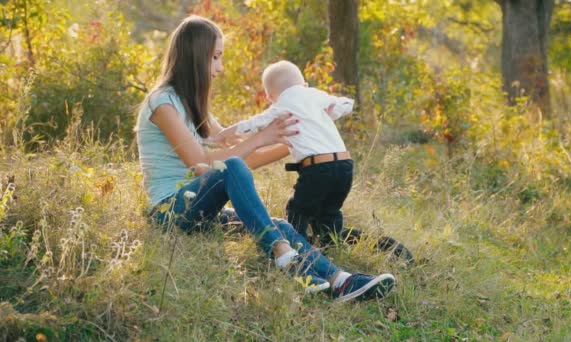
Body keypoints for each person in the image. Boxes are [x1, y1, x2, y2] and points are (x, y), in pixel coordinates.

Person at [134, 15, 395, 303]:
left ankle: (341, 281)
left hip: (201, 209)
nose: (220, 68)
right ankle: (282, 253)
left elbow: (242, 162)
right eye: (216, 57)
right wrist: (261, 136)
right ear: (195, 57)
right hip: (169, 211)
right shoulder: (162, 103)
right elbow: (202, 165)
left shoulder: (197, 109)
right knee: (232, 168)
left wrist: (295, 138)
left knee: (278, 222)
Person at [212, 60, 355, 245]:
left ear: (270, 97)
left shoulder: (282, 105)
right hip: (345, 166)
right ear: (304, 84)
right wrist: (333, 110)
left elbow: (252, 124)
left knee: (298, 211)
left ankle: (300, 249)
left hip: (318, 168)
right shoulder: (315, 94)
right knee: (330, 211)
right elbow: (346, 103)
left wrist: (224, 133)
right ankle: (331, 247)